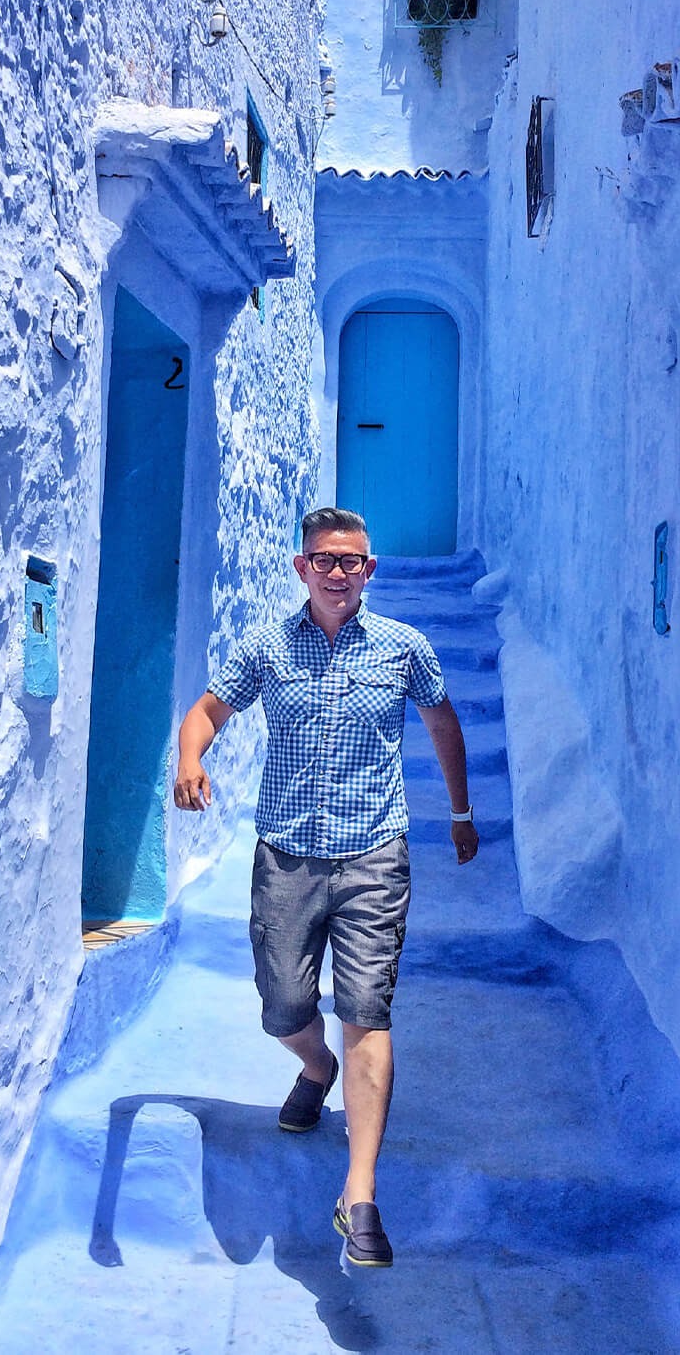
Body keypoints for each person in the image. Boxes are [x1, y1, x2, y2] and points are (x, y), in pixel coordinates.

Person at [174, 507, 479, 1269]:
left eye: (351, 561)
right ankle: (315, 1068)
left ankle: (360, 1193)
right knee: (283, 1007)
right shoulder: (267, 647)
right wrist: (190, 759)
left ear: (370, 571)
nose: (337, 572)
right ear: (300, 567)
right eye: (323, 559)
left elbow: (442, 724)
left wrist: (461, 811)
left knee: (368, 1011)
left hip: (374, 854)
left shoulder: (405, 649)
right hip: (287, 855)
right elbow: (208, 710)